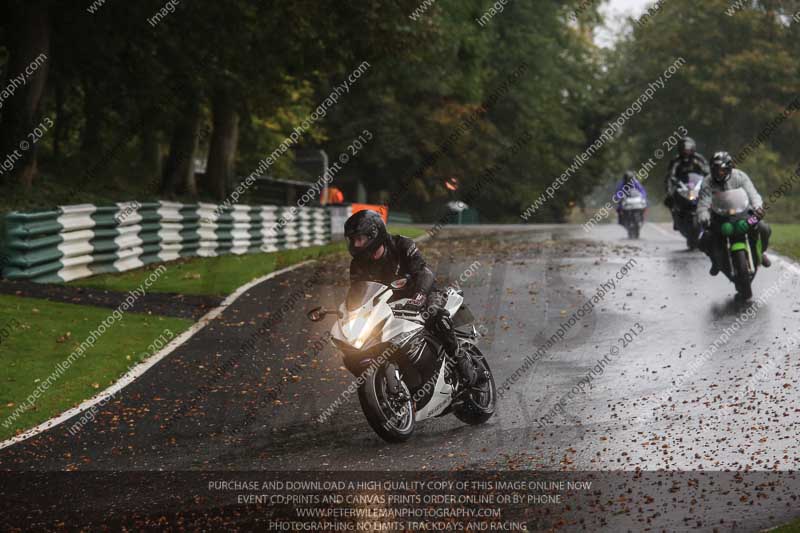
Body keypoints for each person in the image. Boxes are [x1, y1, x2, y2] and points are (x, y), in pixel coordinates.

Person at [344, 209, 481, 386]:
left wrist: (420, 294)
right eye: (352, 240)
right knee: (357, 345)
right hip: (389, 305)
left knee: (435, 314)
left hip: (422, 292)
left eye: (359, 239)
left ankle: (460, 360)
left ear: (374, 234)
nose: (355, 244)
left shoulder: (402, 244)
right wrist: (348, 313)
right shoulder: (357, 265)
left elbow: (423, 271)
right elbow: (357, 292)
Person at [697, 151, 772, 276]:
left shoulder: (740, 176)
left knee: (764, 228)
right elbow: (703, 202)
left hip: (744, 215)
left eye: (721, 170)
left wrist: (758, 207)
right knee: (705, 239)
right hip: (719, 218)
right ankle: (715, 261)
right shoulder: (707, 182)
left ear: (728, 169)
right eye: (714, 170)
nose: (717, 173)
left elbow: (753, 194)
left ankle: (760, 253)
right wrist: (703, 215)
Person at [664, 137, 709, 227]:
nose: (686, 151)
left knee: (710, 197)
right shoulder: (676, 161)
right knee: (669, 199)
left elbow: (707, 171)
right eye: (684, 148)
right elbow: (669, 176)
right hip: (682, 186)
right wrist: (669, 190)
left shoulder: (698, 159)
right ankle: (675, 218)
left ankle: (709, 218)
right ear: (680, 149)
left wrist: (708, 181)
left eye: (688, 148)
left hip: (697, 185)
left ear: (693, 148)